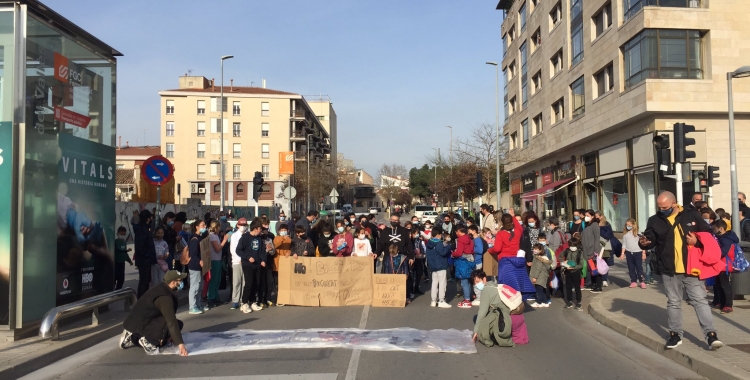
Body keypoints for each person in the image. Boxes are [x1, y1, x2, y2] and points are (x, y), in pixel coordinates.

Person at [639, 191, 723, 350]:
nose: (662, 209)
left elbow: (709, 233)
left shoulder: (691, 215)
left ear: (673, 203)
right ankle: (675, 334)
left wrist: (697, 241)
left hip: (692, 267)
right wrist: (644, 242)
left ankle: (711, 335)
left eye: (665, 207)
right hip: (669, 269)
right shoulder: (655, 220)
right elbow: (650, 239)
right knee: (673, 302)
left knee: (699, 300)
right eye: (659, 207)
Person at [120, 270, 188, 356]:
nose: (181, 282)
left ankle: (134, 335)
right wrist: (180, 344)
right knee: (169, 325)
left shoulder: (163, 288)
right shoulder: (164, 297)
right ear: (173, 282)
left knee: (177, 325)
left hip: (143, 320)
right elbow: (171, 321)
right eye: (180, 280)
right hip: (140, 322)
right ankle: (146, 340)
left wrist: (170, 336)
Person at [471, 270, 514, 348]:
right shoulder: (493, 284)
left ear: (484, 279)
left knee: (483, 330)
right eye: (475, 283)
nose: (477, 285)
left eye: (478, 281)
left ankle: (489, 341)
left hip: (503, 316)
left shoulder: (485, 290)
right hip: (511, 312)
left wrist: (476, 331)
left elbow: (482, 313)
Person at [236, 218, 267, 313]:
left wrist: (263, 260)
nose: (261, 231)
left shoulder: (259, 238)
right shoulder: (245, 237)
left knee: (256, 283)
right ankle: (244, 303)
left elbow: (262, 251)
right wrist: (248, 257)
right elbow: (238, 250)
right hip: (247, 264)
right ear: (256, 228)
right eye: (260, 229)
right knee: (249, 283)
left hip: (257, 264)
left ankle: (253, 302)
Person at [711, 220, 737, 314]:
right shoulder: (723, 238)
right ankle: (722, 303)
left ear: (721, 229)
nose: (714, 231)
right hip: (721, 265)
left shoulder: (726, 239)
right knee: (718, 285)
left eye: (715, 229)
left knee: (724, 285)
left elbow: (722, 252)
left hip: (724, 265)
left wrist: (713, 253)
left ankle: (728, 305)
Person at [133, 210, 156, 298]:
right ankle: (141, 300)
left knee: (147, 280)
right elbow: (140, 246)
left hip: (146, 259)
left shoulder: (145, 228)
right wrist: (147, 255)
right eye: (150, 218)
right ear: (147, 218)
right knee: (144, 280)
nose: (151, 219)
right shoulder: (141, 230)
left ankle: (144, 299)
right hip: (144, 260)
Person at [206, 220, 230, 307]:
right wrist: (224, 240)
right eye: (218, 227)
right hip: (214, 260)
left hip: (218, 259)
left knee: (218, 279)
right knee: (214, 279)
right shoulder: (212, 236)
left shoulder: (216, 235)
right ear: (215, 228)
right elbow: (217, 249)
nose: (219, 229)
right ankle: (211, 297)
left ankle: (216, 296)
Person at [426, 229, 451, 308]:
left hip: (433, 265)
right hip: (441, 265)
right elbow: (443, 252)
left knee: (434, 283)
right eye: (441, 235)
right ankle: (441, 300)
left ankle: (433, 300)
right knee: (442, 283)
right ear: (438, 235)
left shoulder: (429, 243)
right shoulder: (438, 243)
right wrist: (448, 246)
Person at [187, 220, 208, 314]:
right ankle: (192, 306)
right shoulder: (194, 239)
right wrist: (199, 261)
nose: (204, 226)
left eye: (204, 225)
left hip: (200, 266)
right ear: (197, 227)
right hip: (195, 266)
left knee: (199, 286)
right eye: (202, 225)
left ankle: (199, 304)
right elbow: (193, 254)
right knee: (194, 286)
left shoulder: (200, 237)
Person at [621, 218, 647, 289]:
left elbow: (643, 244)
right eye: (627, 225)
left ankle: (642, 281)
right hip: (629, 253)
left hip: (638, 252)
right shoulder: (625, 235)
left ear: (633, 225)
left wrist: (643, 253)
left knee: (639, 267)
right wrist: (622, 253)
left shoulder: (638, 234)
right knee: (631, 268)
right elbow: (624, 244)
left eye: (629, 225)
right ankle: (633, 281)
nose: (628, 226)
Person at [453, 226, 475, 308]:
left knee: (464, 281)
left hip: (462, 261)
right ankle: (469, 296)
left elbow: (459, 252)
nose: (456, 233)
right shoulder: (470, 239)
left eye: (456, 231)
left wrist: (453, 254)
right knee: (469, 280)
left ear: (459, 231)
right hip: (470, 260)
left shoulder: (460, 239)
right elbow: (472, 250)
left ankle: (467, 299)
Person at [559, 236, 584, 310]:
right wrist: (564, 262)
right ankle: (569, 301)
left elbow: (581, 264)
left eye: (574, 245)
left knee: (577, 287)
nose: (572, 247)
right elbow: (560, 257)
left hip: (576, 271)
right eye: (571, 245)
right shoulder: (566, 251)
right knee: (568, 287)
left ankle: (578, 302)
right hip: (567, 271)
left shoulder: (579, 252)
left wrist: (574, 267)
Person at [229, 218, 248, 310]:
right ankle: (235, 300)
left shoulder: (247, 235)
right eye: (241, 225)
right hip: (236, 261)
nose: (243, 227)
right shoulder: (234, 236)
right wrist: (240, 258)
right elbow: (233, 250)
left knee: (245, 281)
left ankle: (243, 300)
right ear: (237, 225)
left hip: (246, 261)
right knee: (236, 281)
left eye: (244, 225)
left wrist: (245, 258)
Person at [581, 209, 601, 292]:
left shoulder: (595, 225)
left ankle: (598, 286)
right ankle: (593, 284)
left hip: (593, 251)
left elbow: (597, 238)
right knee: (592, 269)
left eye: (587, 216)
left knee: (596, 269)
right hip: (587, 250)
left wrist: (597, 252)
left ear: (592, 216)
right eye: (585, 216)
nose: (586, 217)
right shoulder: (587, 225)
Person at [528, 243, 550, 308]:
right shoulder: (538, 257)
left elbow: (538, 268)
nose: (534, 250)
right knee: (541, 290)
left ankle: (538, 302)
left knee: (539, 291)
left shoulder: (539, 258)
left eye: (536, 249)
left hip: (540, 277)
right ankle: (545, 302)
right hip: (542, 276)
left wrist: (535, 277)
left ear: (540, 250)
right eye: (534, 249)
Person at [469, 225, 486, 305]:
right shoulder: (474, 240)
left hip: (478, 261)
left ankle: (479, 297)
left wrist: (471, 249)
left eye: (470, 231)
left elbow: (480, 250)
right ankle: (477, 296)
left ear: (474, 231)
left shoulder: (477, 240)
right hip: (475, 261)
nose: (469, 233)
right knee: (475, 280)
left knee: (477, 281)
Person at [273, 224, 292, 296]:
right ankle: (277, 297)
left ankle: (284, 296)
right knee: (277, 282)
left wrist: (289, 252)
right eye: (282, 230)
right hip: (277, 263)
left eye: (285, 230)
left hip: (285, 263)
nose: (283, 231)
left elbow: (291, 249)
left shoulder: (289, 239)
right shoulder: (276, 238)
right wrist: (283, 238)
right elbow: (275, 245)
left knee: (285, 282)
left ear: (288, 231)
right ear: (279, 231)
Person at [410, 228, 426, 296]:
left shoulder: (419, 240)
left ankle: (416, 287)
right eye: (415, 233)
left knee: (419, 273)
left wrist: (421, 254)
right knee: (411, 274)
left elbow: (422, 248)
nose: (416, 235)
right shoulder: (410, 241)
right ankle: (410, 289)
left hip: (419, 259)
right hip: (412, 259)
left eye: (417, 233)